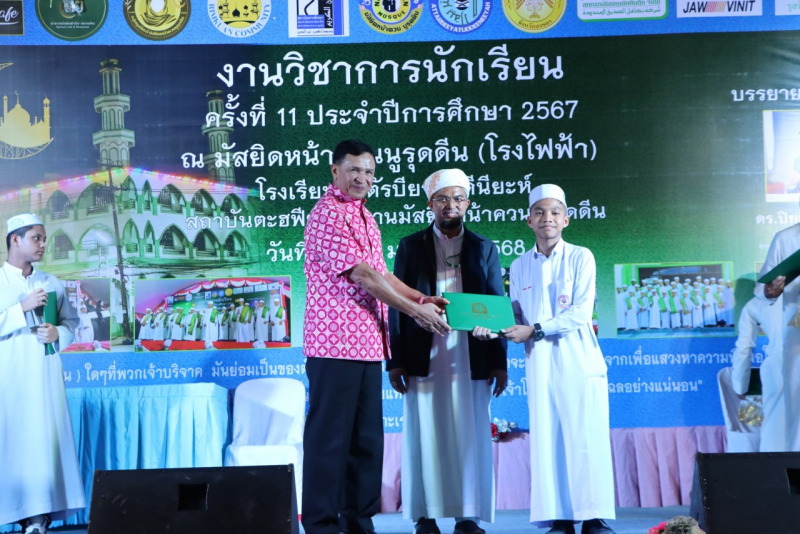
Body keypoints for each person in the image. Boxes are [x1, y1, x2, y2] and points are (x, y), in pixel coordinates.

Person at [302, 140, 450, 534]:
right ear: (335, 171)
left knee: (365, 442)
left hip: (368, 345)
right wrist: (415, 313)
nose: (362, 178)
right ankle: (321, 525)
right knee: (329, 441)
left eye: (368, 171)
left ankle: (358, 522)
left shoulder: (366, 217)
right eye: (354, 170)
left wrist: (420, 298)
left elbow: (382, 273)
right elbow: (362, 276)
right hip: (334, 345)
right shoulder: (326, 214)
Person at [475, 185, 615, 533]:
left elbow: (580, 313)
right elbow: (515, 316)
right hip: (539, 365)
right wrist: (490, 329)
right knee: (548, 439)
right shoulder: (520, 265)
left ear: (566, 219)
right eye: (539, 212)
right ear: (529, 220)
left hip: (579, 361)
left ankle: (593, 517)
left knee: (584, 438)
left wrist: (534, 329)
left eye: (554, 212)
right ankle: (559, 517)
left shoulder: (581, 257)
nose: (547, 218)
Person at [388, 169, 507, 534]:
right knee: (424, 432)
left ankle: (467, 516)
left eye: (457, 198)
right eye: (442, 199)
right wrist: (395, 361)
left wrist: (500, 362)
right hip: (422, 352)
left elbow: (496, 304)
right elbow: (395, 306)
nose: (450, 205)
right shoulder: (410, 246)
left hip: (471, 353)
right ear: (430, 204)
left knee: (469, 434)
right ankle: (424, 516)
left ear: (467, 203)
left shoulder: (484, 247)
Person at [0, 213, 84, 534]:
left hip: (44, 377)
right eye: (36, 238)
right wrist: (20, 310)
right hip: (8, 378)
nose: (43, 244)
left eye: (44, 239)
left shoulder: (52, 283)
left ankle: (37, 517)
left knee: (42, 442)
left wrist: (58, 334)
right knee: (11, 442)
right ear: (15, 239)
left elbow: (71, 322)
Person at [757, 222, 800, 451]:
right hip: (797, 338)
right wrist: (769, 290)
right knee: (797, 408)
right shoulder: (786, 238)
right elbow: (763, 286)